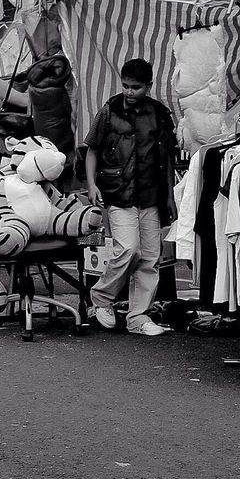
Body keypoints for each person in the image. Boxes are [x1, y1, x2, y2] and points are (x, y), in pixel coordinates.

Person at [85, 57, 177, 337]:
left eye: (135, 87)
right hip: (117, 192)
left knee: (150, 257)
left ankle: (138, 316)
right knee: (127, 249)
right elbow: (92, 149)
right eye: (125, 86)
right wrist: (91, 185)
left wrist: (171, 195)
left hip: (152, 194)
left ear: (148, 86)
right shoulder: (109, 110)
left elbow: (168, 158)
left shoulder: (160, 114)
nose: (129, 91)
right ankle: (101, 297)